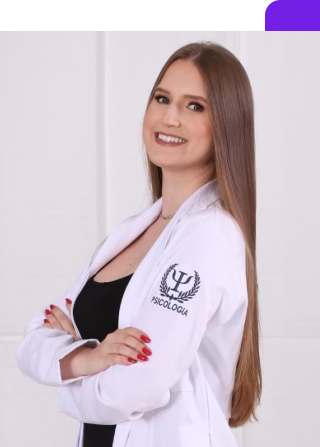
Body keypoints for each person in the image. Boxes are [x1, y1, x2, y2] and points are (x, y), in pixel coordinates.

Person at [16, 41, 261, 447]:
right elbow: (32, 340)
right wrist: (91, 358)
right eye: (162, 99)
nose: (169, 117)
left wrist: (68, 375)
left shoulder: (207, 237)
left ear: (226, 124)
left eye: (194, 106)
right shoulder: (129, 232)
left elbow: (133, 390)